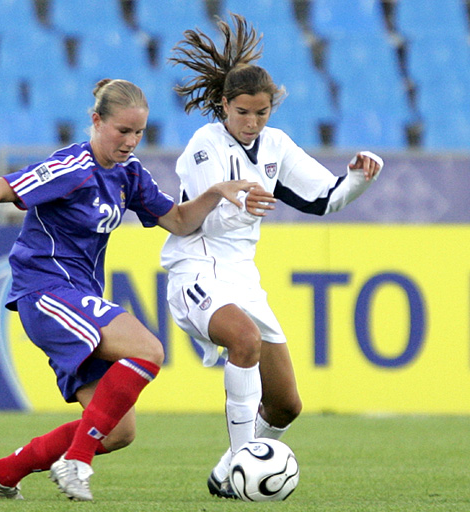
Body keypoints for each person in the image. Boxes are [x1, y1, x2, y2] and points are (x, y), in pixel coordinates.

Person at [0, 78, 269, 502]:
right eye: (122, 131)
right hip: (45, 290)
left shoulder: (128, 175)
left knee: (116, 432)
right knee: (148, 350)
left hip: (76, 294)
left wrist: (217, 192)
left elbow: (181, 221)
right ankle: (76, 461)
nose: (130, 141)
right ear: (96, 121)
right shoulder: (72, 168)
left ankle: (5, 471)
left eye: (139, 133)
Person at [160, 14, 384, 499]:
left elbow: (326, 199)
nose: (251, 121)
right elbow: (193, 215)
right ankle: (245, 465)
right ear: (224, 104)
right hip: (195, 267)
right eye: (242, 111)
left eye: (261, 113)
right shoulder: (205, 146)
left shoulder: (276, 146)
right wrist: (235, 196)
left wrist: (360, 178)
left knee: (285, 405)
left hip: (241, 276)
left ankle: (226, 475)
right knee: (242, 340)